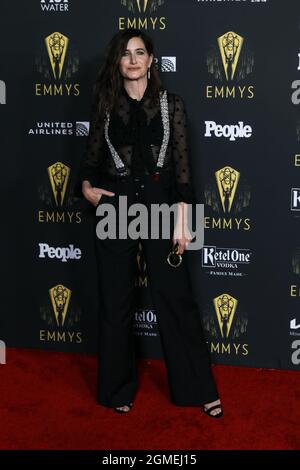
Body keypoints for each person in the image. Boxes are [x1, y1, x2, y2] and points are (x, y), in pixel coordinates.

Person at [74, 28, 223, 418]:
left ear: (152, 59)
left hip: (162, 207)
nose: (134, 59)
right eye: (126, 54)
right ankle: (116, 390)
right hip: (115, 205)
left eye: (140, 52)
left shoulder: (174, 105)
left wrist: (183, 220)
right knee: (116, 301)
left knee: (177, 300)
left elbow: (183, 173)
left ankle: (197, 389)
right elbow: (90, 160)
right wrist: (87, 188)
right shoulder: (105, 104)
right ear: (118, 62)